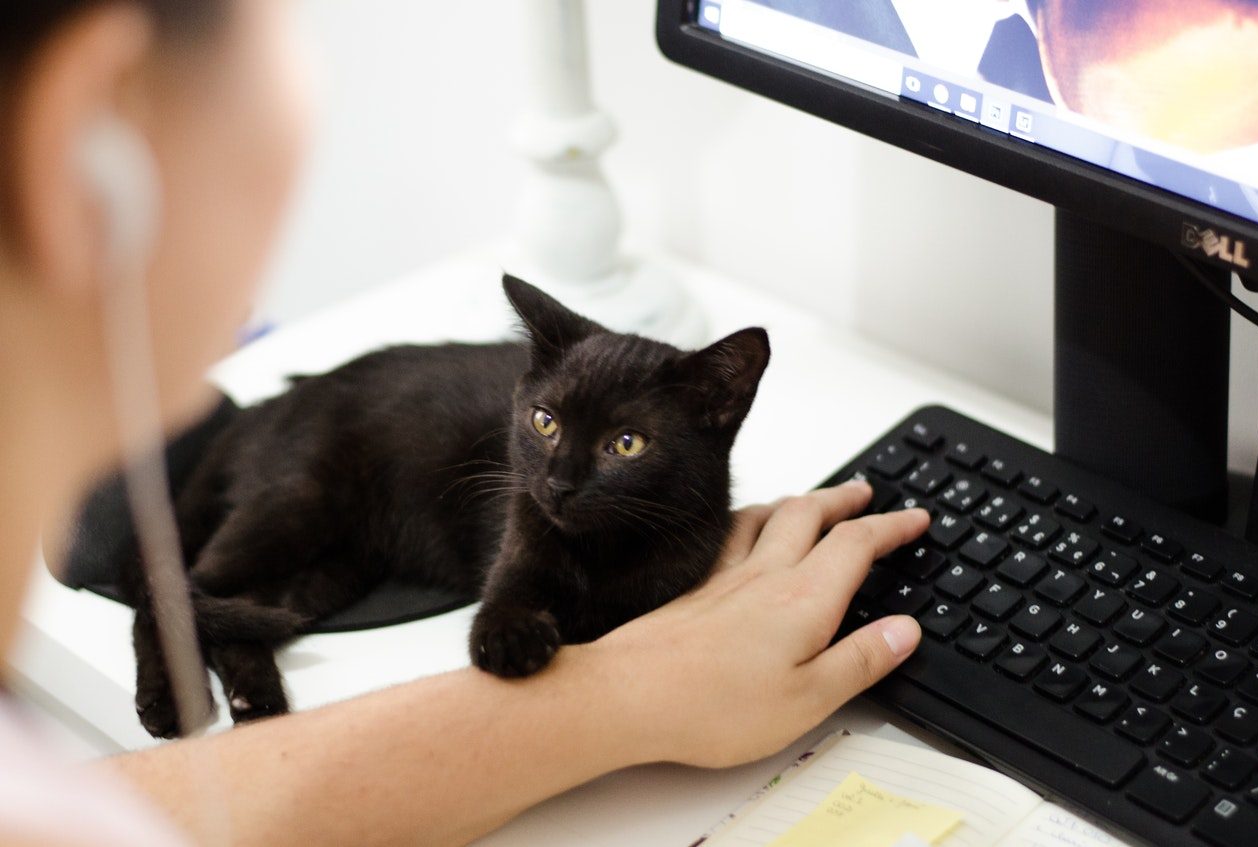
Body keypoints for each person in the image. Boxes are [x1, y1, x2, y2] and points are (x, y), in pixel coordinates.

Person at [0, 2, 928, 845]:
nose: (559, 473)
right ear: (90, 139)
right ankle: (185, 609)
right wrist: (630, 699)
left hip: (400, 533)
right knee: (278, 532)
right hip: (357, 432)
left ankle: (219, 626)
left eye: (620, 445)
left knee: (314, 577)